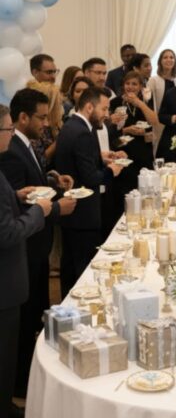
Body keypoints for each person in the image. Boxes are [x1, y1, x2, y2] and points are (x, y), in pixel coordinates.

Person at [0, 89, 75, 404]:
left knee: (24, 328)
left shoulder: (20, 148)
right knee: (11, 343)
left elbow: (15, 195)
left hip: (26, 253)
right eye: (42, 117)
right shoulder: (11, 153)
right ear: (21, 119)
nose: (47, 123)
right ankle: (15, 391)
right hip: (16, 261)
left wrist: (31, 191)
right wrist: (47, 209)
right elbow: (6, 229)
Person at [0, 102, 53, 418]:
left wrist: (18, 197)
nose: (10, 134)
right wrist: (38, 211)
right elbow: (6, 233)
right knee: (5, 356)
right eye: (6, 129)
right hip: (5, 285)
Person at [54, 86, 124, 296]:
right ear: (89, 106)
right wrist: (113, 170)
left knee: (70, 265)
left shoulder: (71, 125)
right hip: (83, 214)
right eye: (104, 109)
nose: (107, 114)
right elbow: (91, 178)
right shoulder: (83, 132)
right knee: (82, 270)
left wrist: (101, 157)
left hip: (72, 214)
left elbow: (78, 161)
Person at [110, 71, 159, 193]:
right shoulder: (115, 102)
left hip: (143, 149)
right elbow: (111, 130)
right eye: (127, 83)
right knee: (125, 188)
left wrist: (140, 103)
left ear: (141, 86)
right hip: (122, 148)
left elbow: (154, 121)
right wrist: (127, 130)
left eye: (134, 84)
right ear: (123, 85)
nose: (130, 87)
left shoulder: (146, 100)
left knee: (146, 188)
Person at [24, 81, 62, 169]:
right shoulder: (34, 127)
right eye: (58, 103)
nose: (61, 106)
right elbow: (39, 162)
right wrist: (58, 142)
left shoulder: (56, 123)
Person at [147, 49, 176, 157]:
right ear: (160, 62)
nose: (169, 59)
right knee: (157, 151)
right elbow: (147, 102)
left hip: (173, 122)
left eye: (171, 57)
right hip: (158, 123)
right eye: (165, 57)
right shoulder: (153, 80)